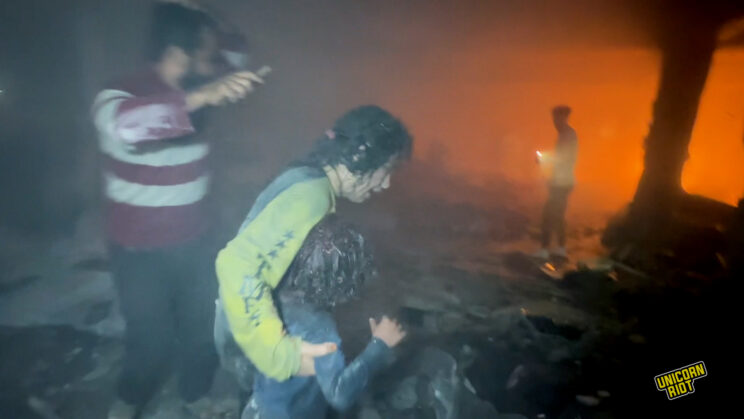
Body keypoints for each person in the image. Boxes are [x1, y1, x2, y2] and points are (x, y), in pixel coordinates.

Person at [91, 4, 263, 418]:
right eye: (206, 54)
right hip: (139, 252)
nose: (215, 64)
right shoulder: (121, 93)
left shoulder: (198, 84)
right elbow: (126, 127)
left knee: (201, 328)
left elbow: (236, 51)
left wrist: (204, 12)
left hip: (195, 241)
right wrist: (204, 96)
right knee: (150, 340)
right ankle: (129, 399)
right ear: (177, 53)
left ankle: (194, 394)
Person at [215, 105, 413, 383]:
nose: (387, 183)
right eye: (386, 169)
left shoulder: (309, 177)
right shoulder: (312, 196)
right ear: (359, 155)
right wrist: (278, 354)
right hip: (249, 339)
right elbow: (238, 266)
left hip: (246, 327)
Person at [215, 217, 406, 418]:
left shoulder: (270, 297)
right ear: (345, 282)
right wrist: (379, 345)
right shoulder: (319, 329)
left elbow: (234, 339)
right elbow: (339, 394)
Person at [535, 105, 578, 259]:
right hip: (562, 182)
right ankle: (560, 248)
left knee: (548, 215)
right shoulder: (566, 134)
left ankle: (544, 250)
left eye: (557, 118)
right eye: (554, 119)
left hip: (561, 183)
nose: (554, 122)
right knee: (558, 215)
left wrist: (543, 159)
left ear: (564, 118)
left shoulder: (567, 135)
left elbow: (563, 158)